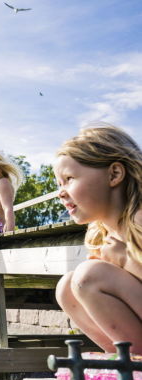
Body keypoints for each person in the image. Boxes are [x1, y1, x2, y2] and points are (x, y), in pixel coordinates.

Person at [54, 125, 142, 354]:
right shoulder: (101, 234)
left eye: (69, 178)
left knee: (89, 276)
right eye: (59, 184)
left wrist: (124, 259)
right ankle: (127, 361)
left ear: (114, 174)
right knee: (67, 286)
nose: (60, 193)